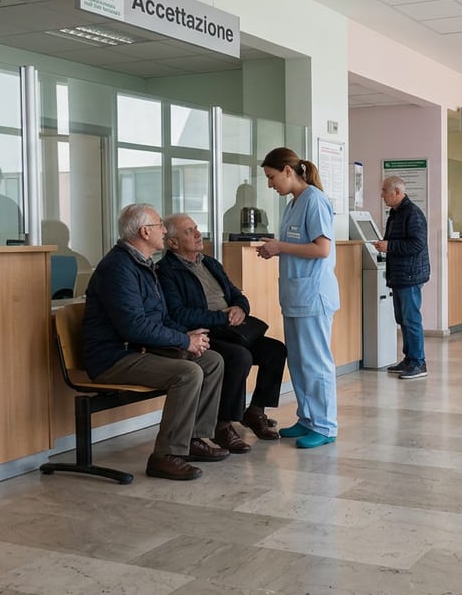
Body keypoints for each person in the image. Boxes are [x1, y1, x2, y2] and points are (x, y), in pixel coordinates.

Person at [81, 203, 227, 480]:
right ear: (145, 231)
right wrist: (183, 341)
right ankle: (165, 456)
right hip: (113, 357)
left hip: (140, 349)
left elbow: (161, 317)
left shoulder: (143, 264)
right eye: (160, 224)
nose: (164, 230)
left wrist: (191, 338)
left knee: (211, 360)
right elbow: (134, 327)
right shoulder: (118, 268)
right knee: (188, 373)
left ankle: (194, 439)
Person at [157, 212, 288, 448]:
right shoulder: (166, 271)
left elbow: (237, 294)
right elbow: (177, 314)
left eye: (196, 228)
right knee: (239, 357)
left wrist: (240, 308)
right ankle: (222, 425)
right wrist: (221, 317)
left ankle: (256, 410)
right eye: (189, 231)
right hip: (204, 333)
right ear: (173, 243)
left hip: (232, 328)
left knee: (275, 350)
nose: (198, 233)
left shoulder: (209, 262)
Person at [257, 147, 340, 449]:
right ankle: (307, 418)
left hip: (313, 296)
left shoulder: (315, 201)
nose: (270, 184)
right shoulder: (293, 204)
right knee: (300, 362)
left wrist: (279, 247)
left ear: (288, 171)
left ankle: (325, 425)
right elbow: (292, 245)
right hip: (295, 295)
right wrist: (274, 248)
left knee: (316, 363)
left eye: (272, 177)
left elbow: (322, 249)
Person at [375, 176, 430, 379]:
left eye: (384, 191)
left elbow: (417, 245)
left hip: (410, 274)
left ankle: (418, 362)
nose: (382, 195)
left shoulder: (412, 214)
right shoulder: (395, 214)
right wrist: (386, 244)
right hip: (399, 274)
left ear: (397, 192)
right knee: (402, 319)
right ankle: (409, 359)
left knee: (411, 319)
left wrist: (389, 246)